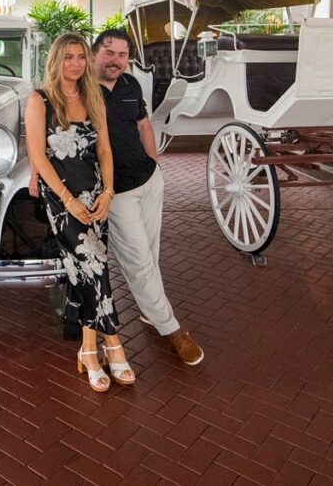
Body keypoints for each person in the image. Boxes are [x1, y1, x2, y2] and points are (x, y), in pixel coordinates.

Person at [25, 32, 135, 393]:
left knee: (86, 268)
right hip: (60, 197)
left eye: (80, 57)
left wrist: (108, 191)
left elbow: (104, 150)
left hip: (94, 194)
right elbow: (39, 157)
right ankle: (114, 344)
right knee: (95, 262)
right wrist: (69, 200)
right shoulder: (39, 100)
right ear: (55, 61)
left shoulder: (92, 97)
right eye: (68, 57)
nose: (75, 63)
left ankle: (89, 350)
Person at [92, 29, 204, 366]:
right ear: (95, 52)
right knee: (138, 260)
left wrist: (154, 162)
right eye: (109, 53)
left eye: (123, 55)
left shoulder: (130, 85)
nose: (116, 60)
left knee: (150, 253)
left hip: (149, 180)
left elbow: (143, 124)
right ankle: (172, 330)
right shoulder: (82, 91)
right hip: (118, 191)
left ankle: (149, 311)